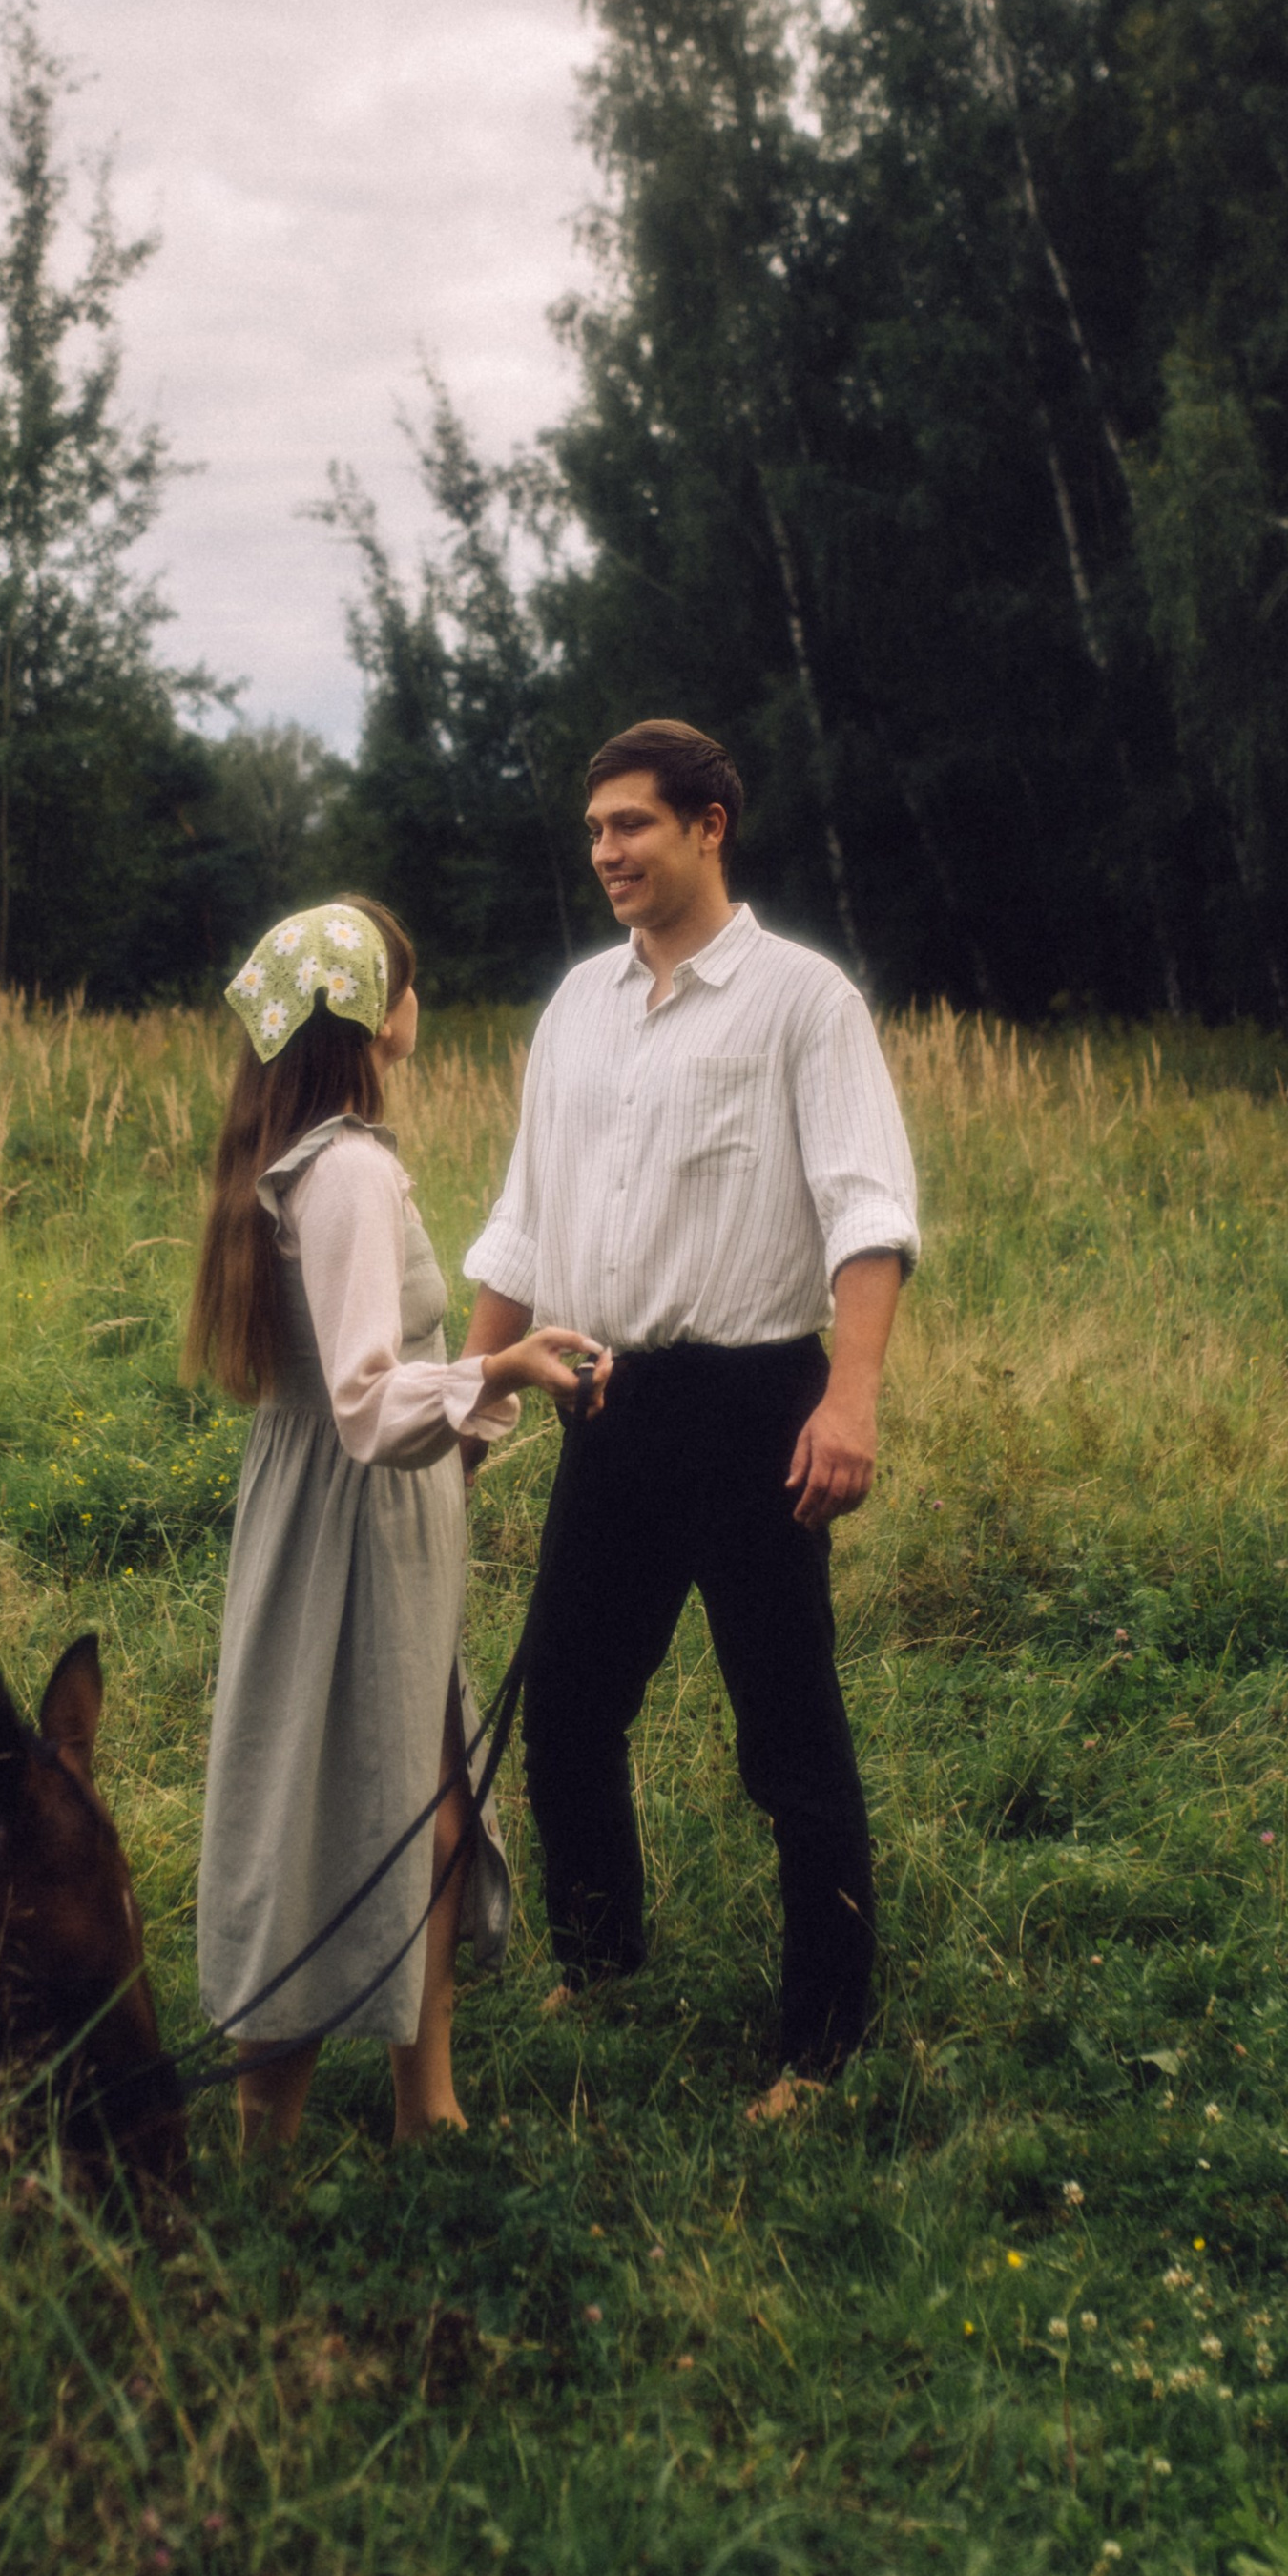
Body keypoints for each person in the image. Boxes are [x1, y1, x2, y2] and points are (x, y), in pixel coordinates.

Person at [459, 722, 920, 2119]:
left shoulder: (802, 1002)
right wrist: (470, 1406)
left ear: (711, 826)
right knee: (572, 1707)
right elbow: (521, 1221)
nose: (606, 852)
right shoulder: (577, 1009)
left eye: (633, 826)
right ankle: (600, 1959)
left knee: (786, 1731)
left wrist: (850, 1398)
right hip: (603, 1400)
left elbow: (868, 1208)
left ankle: (822, 2045)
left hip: (754, 1406)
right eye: (595, 830)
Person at [185, 894, 598, 2150]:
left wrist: (480, 1407)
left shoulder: (300, 1150)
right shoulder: (351, 1170)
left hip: (353, 1521)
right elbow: (367, 1402)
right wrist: (509, 1369)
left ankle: (431, 2104)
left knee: (434, 1810)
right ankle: (270, 2136)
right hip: (354, 1528)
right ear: (376, 1013)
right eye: (407, 982)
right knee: (327, 1811)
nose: (422, 1001)